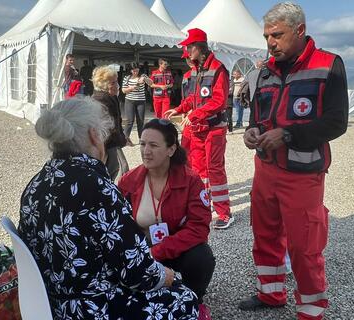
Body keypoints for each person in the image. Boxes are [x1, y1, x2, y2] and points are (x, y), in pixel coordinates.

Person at [18, 97, 198, 319]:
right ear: (94, 135)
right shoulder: (96, 187)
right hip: (93, 307)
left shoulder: (37, 184)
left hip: (50, 304)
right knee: (185, 297)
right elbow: (135, 271)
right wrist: (166, 276)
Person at [239, 3, 348, 319]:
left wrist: (287, 135)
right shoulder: (263, 71)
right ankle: (271, 294)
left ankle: (311, 310)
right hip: (265, 170)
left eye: (277, 35)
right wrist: (252, 131)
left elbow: (336, 122)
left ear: (299, 30)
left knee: (304, 247)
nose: (270, 42)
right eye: (266, 36)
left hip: (303, 174)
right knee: (265, 235)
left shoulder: (329, 65)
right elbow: (258, 116)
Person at [118, 118, 215, 320]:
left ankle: (194, 300)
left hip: (175, 248)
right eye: (143, 144)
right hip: (142, 248)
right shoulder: (129, 180)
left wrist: (158, 251)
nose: (146, 151)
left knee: (202, 257)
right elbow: (117, 225)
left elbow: (199, 228)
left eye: (153, 145)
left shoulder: (191, 180)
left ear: (171, 150)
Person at [165, 28, 233, 229]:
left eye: (189, 46)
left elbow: (219, 100)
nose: (186, 51)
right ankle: (205, 205)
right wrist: (179, 108)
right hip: (197, 129)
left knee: (215, 169)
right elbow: (191, 99)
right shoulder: (193, 71)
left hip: (214, 128)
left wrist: (194, 114)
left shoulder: (218, 69)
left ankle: (224, 213)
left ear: (199, 47)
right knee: (199, 170)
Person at [91, 65, 129, 181]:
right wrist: (121, 140)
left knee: (116, 170)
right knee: (121, 169)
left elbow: (118, 121)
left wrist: (123, 136)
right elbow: (108, 128)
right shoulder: (100, 100)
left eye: (116, 81)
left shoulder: (111, 97)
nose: (117, 85)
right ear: (104, 85)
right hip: (107, 143)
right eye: (113, 83)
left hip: (112, 141)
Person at [122, 62, 151, 145]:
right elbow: (123, 90)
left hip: (141, 101)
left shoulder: (143, 76)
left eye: (137, 70)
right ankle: (125, 138)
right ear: (130, 70)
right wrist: (132, 87)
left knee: (140, 121)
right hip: (129, 101)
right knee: (129, 121)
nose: (135, 72)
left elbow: (151, 83)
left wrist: (145, 79)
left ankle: (141, 138)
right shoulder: (127, 78)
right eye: (134, 70)